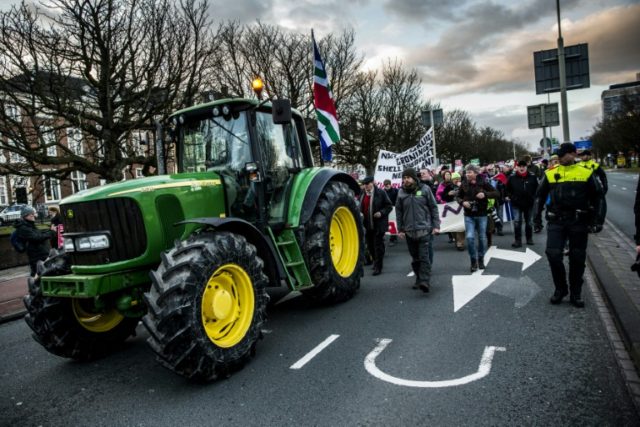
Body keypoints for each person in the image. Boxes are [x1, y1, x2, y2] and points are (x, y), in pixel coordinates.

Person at [535, 143, 605, 308]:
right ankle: (561, 289)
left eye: (563, 154)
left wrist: (598, 220)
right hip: (556, 220)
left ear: (574, 154)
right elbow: (539, 196)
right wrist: (536, 219)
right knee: (553, 254)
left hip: (578, 220)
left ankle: (576, 292)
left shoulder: (586, 173)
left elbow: (599, 197)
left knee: (577, 257)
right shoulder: (551, 173)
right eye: (559, 155)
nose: (560, 158)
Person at [396, 167, 440, 293]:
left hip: (424, 230)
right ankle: (419, 278)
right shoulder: (401, 193)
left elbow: (433, 207)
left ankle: (425, 281)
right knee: (415, 259)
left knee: (424, 257)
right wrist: (400, 229)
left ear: (414, 178)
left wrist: (436, 226)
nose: (406, 180)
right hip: (409, 232)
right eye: (404, 178)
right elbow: (399, 212)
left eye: (408, 177)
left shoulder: (425, 189)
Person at [456, 164, 499, 272]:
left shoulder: (483, 182)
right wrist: (463, 202)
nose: (467, 174)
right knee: (470, 238)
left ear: (475, 173)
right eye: (466, 172)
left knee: (482, 238)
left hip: (481, 214)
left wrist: (484, 194)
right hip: (469, 215)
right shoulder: (464, 184)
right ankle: (473, 261)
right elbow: (457, 196)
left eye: (469, 172)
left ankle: (481, 259)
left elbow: (496, 193)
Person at [359, 176, 393, 276]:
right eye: (364, 184)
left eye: (367, 184)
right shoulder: (362, 194)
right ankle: (375, 261)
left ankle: (378, 266)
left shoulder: (381, 193)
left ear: (372, 183)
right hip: (367, 224)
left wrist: (381, 213)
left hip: (378, 224)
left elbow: (389, 206)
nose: (366, 186)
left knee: (378, 245)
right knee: (370, 246)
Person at [15, 206, 55, 277]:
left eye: (33, 214)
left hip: (41, 254)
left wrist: (50, 231)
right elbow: (36, 237)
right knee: (36, 273)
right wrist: (51, 232)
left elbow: (39, 234)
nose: (34, 216)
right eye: (32, 214)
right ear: (26, 216)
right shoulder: (23, 228)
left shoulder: (29, 225)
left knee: (43, 273)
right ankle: (33, 286)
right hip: (35, 255)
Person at [506, 160, 539, 247]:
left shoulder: (532, 176)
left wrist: (534, 197)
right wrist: (510, 197)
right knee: (517, 222)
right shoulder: (512, 177)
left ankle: (529, 238)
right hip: (516, 203)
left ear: (526, 167)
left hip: (529, 203)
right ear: (517, 167)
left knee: (529, 222)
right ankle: (518, 240)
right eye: (520, 166)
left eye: (523, 166)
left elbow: (537, 188)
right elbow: (507, 189)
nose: (522, 168)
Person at [383, 179, 399, 246]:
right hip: (386, 209)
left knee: (393, 224)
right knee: (385, 224)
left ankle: (393, 238)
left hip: (393, 209)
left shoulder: (395, 191)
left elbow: (398, 200)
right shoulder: (383, 192)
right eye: (385, 185)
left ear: (390, 184)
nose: (387, 186)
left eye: (388, 185)